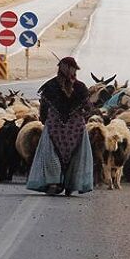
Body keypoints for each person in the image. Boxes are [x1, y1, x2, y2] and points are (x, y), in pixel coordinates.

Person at [26, 57, 93, 196]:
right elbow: (88, 108)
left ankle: (53, 182)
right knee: (76, 154)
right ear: (75, 70)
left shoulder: (50, 86)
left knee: (52, 153)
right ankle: (71, 183)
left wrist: (45, 120)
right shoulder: (80, 87)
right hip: (75, 127)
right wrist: (82, 118)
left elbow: (43, 108)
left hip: (54, 126)